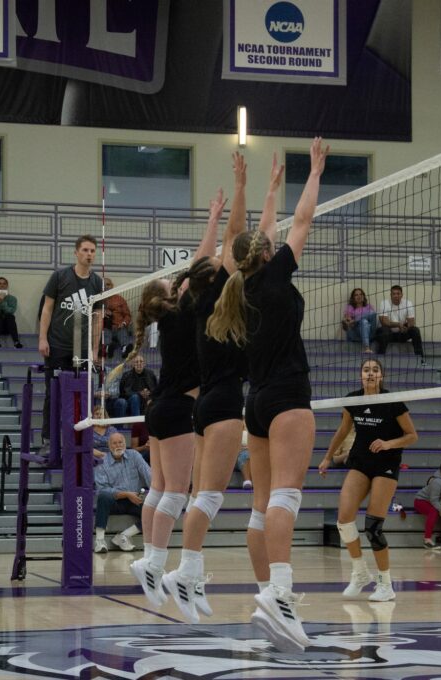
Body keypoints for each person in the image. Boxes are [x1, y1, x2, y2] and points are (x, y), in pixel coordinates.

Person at [206, 137, 328, 653]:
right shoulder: (276, 275)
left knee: (260, 506)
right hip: (287, 397)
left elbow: (264, 234)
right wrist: (314, 171)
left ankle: (266, 599)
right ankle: (280, 594)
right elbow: (300, 223)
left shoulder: (237, 283)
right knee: (285, 498)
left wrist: (268, 190)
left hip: (255, 402)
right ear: (269, 255)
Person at [123, 188, 228, 616]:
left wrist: (213, 217)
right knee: (175, 494)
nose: (179, 281)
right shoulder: (183, 312)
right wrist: (214, 221)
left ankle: (150, 559)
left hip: (158, 408)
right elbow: (198, 266)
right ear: (171, 295)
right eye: (174, 283)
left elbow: (192, 269)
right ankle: (154, 563)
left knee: (161, 490)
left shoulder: (167, 317)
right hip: (179, 407)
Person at [165, 155, 260, 624]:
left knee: (201, 493)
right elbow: (233, 241)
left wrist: (226, 206)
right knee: (209, 496)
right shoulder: (223, 297)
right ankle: (185, 570)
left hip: (204, 405)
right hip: (222, 404)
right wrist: (242, 186)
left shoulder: (193, 306)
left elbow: (219, 247)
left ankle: (190, 572)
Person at [320, 358, 418, 601]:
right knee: (344, 519)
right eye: (366, 370)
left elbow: (412, 436)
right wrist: (327, 457)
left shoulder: (392, 402)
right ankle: (360, 572)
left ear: (381, 376)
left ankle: (385, 584)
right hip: (360, 463)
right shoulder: (352, 399)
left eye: (375, 370)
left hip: (386, 464)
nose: (370, 374)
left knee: (373, 527)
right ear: (360, 375)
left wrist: (388, 444)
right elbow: (342, 431)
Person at [38, 235, 104, 441]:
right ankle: (49, 440)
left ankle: (79, 439)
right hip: (57, 345)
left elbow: (97, 318)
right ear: (76, 252)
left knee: (81, 396)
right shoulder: (59, 277)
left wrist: (94, 349)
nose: (89, 254)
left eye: (92, 251)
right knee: (53, 395)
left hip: (82, 349)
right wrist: (42, 339)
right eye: (85, 250)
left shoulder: (97, 282)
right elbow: (47, 309)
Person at [94, 432, 151, 554]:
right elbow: (102, 489)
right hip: (115, 502)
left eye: (120, 442)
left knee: (154, 512)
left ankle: (124, 536)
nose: (118, 445)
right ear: (109, 446)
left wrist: (155, 494)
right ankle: (99, 540)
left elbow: (148, 475)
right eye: (114, 443)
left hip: (134, 500)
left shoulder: (134, 455)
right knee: (103, 496)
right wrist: (126, 494)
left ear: (125, 444)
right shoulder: (102, 462)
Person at [413, 460, 441, 550]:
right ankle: (427, 541)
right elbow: (433, 500)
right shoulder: (437, 482)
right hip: (421, 501)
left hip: (436, 503)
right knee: (434, 510)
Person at [375, 285, 425, 363]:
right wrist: (398, 324)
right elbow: (384, 322)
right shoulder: (384, 303)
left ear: (402, 295)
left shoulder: (408, 303)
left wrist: (406, 328)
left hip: (400, 333)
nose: (396, 296)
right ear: (390, 295)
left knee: (415, 330)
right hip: (386, 334)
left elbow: (411, 322)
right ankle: (379, 360)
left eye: (398, 293)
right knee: (385, 330)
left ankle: (421, 359)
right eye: (393, 294)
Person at [0, 276, 23, 349]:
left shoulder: (12, 299)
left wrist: (2, 303)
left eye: (4, 283)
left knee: (10, 316)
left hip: (6, 327)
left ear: (7, 286)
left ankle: (16, 341)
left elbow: (11, 311)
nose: (2, 285)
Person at [102, 277, 134, 359]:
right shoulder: (98, 300)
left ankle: (125, 348)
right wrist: (101, 313)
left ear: (112, 286)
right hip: (105, 328)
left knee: (122, 333)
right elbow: (92, 314)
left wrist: (123, 323)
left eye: (108, 284)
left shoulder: (120, 299)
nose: (106, 287)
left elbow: (128, 315)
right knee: (105, 333)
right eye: (103, 285)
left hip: (119, 327)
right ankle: (108, 347)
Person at [341, 288, 377, 353]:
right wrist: (348, 321)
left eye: (361, 294)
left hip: (370, 335)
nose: (359, 296)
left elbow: (373, 317)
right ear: (353, 298)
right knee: (362, 322)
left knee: (370, 316)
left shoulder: (368, 307)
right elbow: (348, 320)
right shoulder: (350, 307)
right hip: (355, 335)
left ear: (363, 296)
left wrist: (355, 319)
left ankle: (355, 320)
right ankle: (367, 348)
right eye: (356, 295)